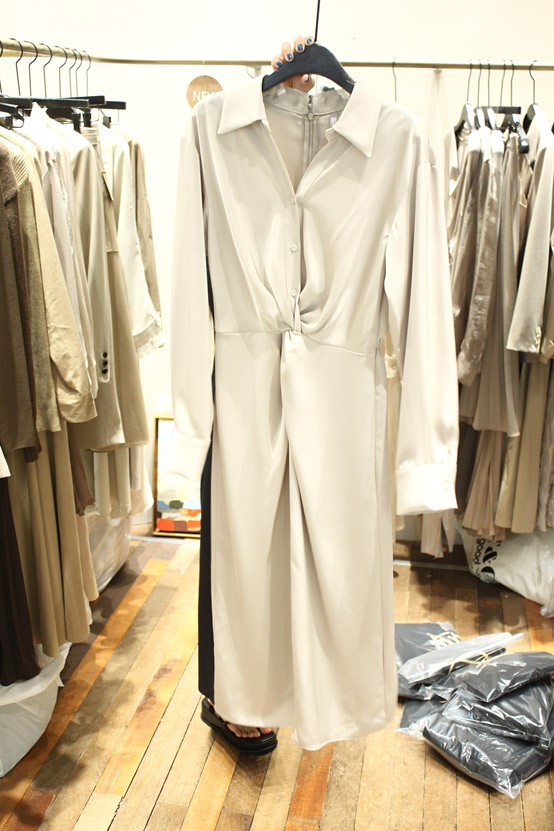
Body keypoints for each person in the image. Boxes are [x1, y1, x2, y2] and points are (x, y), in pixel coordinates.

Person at [200, 35, 316, 756]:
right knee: (237, 537)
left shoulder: (346, 138)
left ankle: (272, 684)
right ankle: (231, 692)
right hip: (239, 368)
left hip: (315, 370)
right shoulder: (220, 133)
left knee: (296, 537)